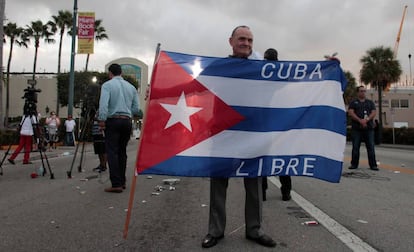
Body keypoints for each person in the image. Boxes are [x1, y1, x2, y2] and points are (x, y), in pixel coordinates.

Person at [201, 26, 276, 249]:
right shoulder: (219, 66)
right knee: (219, 183)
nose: (246, 43)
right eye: (242, 38)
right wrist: (159, 90)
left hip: (253, 134)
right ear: (231, 41)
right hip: (224, 134)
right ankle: (215, 231)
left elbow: (289, 80)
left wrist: (327, 68)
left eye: (250, 40)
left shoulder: (261, 68)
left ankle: (254, 229)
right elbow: (194, 85)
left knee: (254, 182)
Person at [98, 63, 140, 193]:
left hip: (113, 120)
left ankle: (116, 183)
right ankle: (122, 181)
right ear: (121, 72)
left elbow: (104, 104)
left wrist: (102, 120)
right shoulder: (131, 87)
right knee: (122, 151)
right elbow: (136, 108)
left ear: (110, 73)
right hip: (126, 121)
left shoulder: (107, 85)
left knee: (112, 151)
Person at [262, 48, 292, 202]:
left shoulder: (261, 74)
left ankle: (262, 191)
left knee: (262, 158)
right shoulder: (285, 74)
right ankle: (286, 191)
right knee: (282, 159)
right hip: (280, 123)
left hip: (267, 123)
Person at [348, 86, 379, 171]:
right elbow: (351, 112)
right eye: (361, 91)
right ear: (358, 92)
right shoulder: (354, 102)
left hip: (368, 129)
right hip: (356, 129)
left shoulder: (370, 102)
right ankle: (354, 164)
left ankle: (373, 165)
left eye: (364, 91)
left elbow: (373, 112)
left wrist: (367, 120)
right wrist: (359, 120)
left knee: (371, 147)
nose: (363, 93)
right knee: (355, 147)